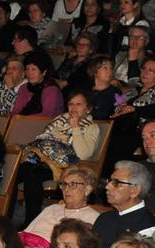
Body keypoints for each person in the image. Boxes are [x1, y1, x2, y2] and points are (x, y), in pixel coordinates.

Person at [16, 90, 100, 227]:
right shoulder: (59, 119)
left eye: (78, 104)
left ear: (88, 108)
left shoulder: (92, 128)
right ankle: (6, 216)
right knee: (19, 170)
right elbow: (43, 139)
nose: (73, 108)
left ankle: (31, 222)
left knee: (33, 174)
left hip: (65, 168)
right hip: (42, 160)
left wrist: (75, 127)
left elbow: (84, 155)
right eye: (71, 104)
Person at [22, 165, 102, 248]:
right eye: (64, 185)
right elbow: (26, 232)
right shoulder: (52, 208)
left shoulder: (93, 217)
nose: (66, 189)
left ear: (87, 190)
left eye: (73, 185)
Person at [94, 161, 155, 248]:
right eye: (110, 181)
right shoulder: (104, 217)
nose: (107, 186)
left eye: (116, 183)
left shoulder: (148, 227)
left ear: (134, 191)